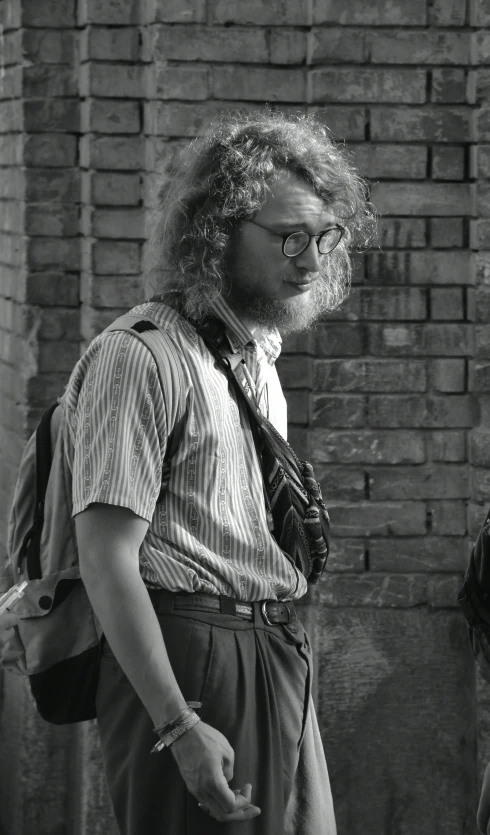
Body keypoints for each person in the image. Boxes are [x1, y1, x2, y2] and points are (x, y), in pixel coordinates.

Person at [18, 110, 374, 834]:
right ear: (217, 233)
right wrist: (178, 724)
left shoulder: (257, 357)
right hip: (191, 654)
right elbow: (107, 554)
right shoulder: (138, 355)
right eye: (290, 237)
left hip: (273, 647)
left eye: (325, 235)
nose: (312, 260)